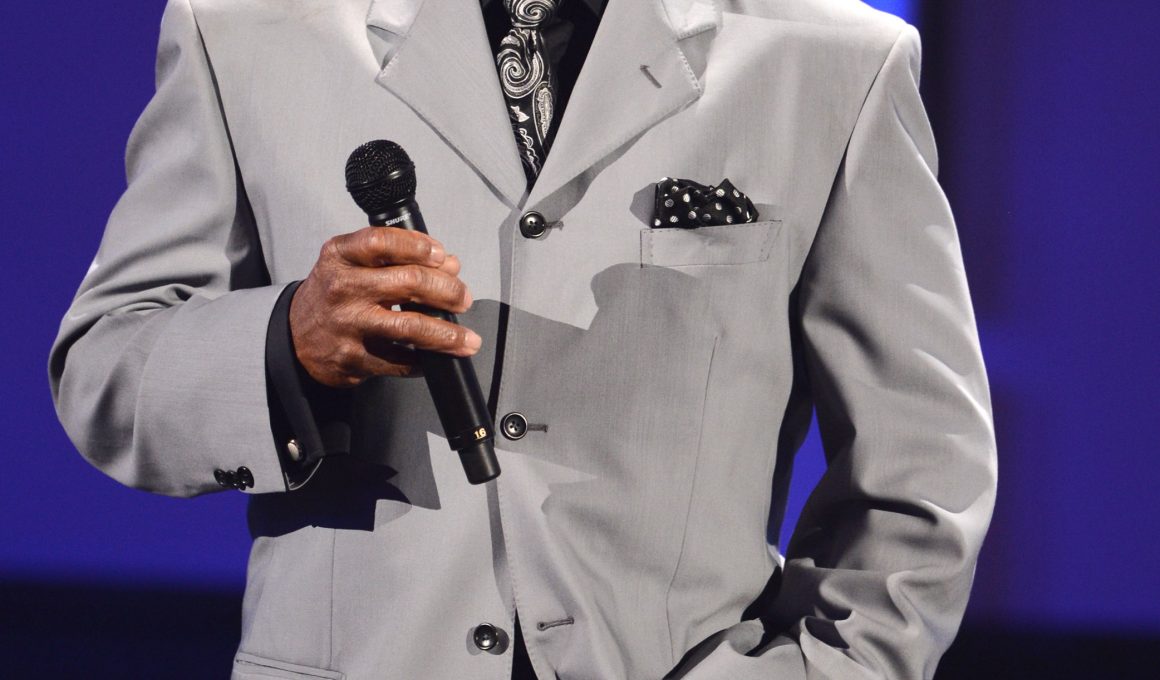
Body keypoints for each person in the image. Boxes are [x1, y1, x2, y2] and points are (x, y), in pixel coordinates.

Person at [49, 0, 997, 678]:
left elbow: (923, 464)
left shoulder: (833, 59)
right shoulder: (243, 26)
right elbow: (108, 364)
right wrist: (283, 342)